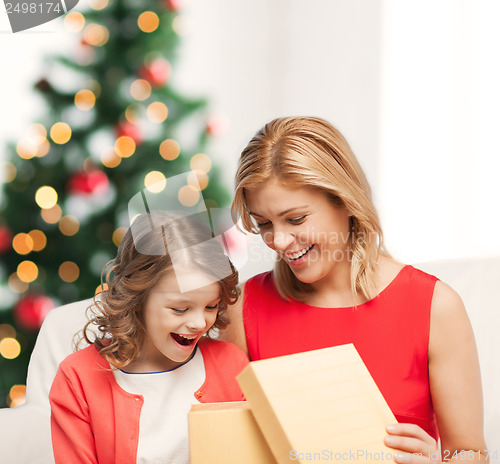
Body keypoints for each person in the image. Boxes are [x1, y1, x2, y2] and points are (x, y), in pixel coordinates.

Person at [223, 116, 488, 463]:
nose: (280, 241)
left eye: (296, 219)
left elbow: (470, 453)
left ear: (345, 200)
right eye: (264, 224)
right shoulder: (242, 310)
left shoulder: (435, 307)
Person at [49, 211, 249, 464]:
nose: (200, 323)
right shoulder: (78, 378)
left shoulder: (232, 366)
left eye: (211, 306)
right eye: (180, 308)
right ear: (137, 301)